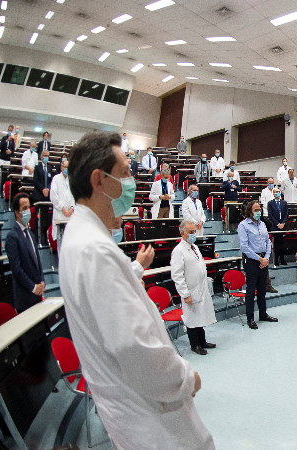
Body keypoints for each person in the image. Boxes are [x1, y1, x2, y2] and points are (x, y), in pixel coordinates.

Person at [58, 131, 214, 449]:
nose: (132, 182)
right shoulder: (93, 249)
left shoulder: (83, 239)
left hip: (136, 410)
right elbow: (135, 348)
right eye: (126, 173)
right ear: (99, 181)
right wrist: (185, 379)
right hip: (152, 419)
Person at [171, 220, 217, 356]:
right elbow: (177, 275)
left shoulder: (194, 247)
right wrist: (185, 294)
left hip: (200, 287)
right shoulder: (178, 251)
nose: (193, 234)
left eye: (194, 231)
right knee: (191, 318)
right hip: (190, 290)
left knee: (200, 316)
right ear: (182, 233)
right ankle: (195, 344)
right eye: (190, 232)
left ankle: (202, 341)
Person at [238, 201, 278, 329]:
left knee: (262, 290)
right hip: (251, 259)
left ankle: (263, 314)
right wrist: (259, 259)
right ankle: (250, 318)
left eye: (259, 209)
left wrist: (266, 258)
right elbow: (244, 246)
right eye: (256, 210)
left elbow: (268, 242)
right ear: (250, 212)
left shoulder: (262, 224)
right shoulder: (243, 225)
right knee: (251, 291)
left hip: (263, 259)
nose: (258, 212)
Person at [5, 193, 45, 313]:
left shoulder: (31, 234)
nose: (29, 211)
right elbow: (17, 270)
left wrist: (42, 281)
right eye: (25, 208)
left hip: (37, 294)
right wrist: (33, 288)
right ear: (17, 212)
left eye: (29, 207)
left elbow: (38, 262)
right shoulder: (12, 237)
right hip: (25, 297)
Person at [33, 149, 55, 239]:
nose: (46, 157)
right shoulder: (37, 167)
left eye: (48, 156)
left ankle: (46, 236)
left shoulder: (50, 168)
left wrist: (48, 189)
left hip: (47, 195)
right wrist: (43, 189)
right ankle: (37, 237)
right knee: (37, 216)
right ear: (41, 157)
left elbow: (51, 181)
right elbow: (35, 180)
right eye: (45, 155)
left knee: (47, 216)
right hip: (39, 195)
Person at [50, 160, 74, 241]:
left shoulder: (71, 180)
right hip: (60, 214)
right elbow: (53, 196)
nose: (67, 169)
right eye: (65, 167)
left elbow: (74, 196)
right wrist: (63, 209)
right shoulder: (56, 179)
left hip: (70, 215)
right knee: (60, 242)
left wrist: (72, 208)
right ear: (61, 168)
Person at [267, 187, 288, 266]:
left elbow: (286, 214)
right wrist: (277, 224)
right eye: (276, 192)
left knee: (283, 243)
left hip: (283, 226)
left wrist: (283, 223)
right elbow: (270, 215)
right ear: (273, 193)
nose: (278, 193)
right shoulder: (270, 203)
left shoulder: (284, 203)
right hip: (275, 227)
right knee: (276, 244)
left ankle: (282, 260)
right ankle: (276, 260)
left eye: (279, 191)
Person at [0, 124, 15, 194]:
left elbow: (13, 151)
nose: (10, 131)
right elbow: (1, 147)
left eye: (11, 130)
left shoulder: (12, 140)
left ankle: (4, 192)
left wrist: (10, 152)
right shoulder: (3, 138)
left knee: (6, 177)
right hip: (2, 159)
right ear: (7, 130)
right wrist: (6, 141)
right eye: (9, 130)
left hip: (8, 160)